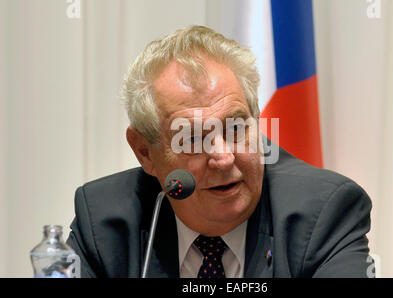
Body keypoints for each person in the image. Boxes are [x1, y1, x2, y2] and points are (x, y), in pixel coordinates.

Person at [66, 25, 373, 278]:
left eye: (237, 128)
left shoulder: (323, 214)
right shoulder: (105, 222)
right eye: (194, 138)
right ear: (145, 152)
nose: (224, 157)